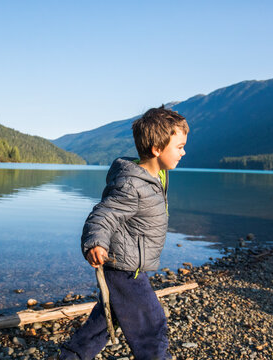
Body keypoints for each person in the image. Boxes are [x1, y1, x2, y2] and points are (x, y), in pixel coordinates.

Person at [59, 106, 189, 360]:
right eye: (180, 146)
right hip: (123, 269)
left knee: (107, 317)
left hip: (130, 264)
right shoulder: (132, 184)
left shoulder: (157, 176)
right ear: (157, 149)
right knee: (152, 327)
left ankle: (72, 356)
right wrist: (96, 243)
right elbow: (103, 214)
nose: (184, 152)